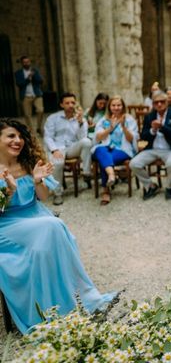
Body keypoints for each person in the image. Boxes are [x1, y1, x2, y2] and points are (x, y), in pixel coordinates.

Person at [0, 118, 116, 334]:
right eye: (10, 136)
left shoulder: (27, 163)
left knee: (54, 229)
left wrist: (37, 181)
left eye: (20, 136)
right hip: (6, 225)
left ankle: (73, 302)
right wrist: (8, 191)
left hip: (35, 216)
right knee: (53, 226)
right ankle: (59, 308)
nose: (18, 141)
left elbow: (42, 197)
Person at [130, 90, 171, 200]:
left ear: (167, 102)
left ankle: (169, 187)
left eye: (162, 102)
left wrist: (162, 128)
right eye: (156, 102)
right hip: (152, 149)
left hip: (170, 149)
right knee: (134, 163)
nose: (159, 104)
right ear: (153, 104)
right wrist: (152, 130)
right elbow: (143, 136)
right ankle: (151, 186)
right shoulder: (150, 116)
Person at [43, 92, 93, 205]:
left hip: (71, 147)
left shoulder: (80, 119)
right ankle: (58, 194)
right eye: (67, 103)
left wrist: (81, 123)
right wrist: (54, 150)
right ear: (61, 104)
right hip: (57, 147)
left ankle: (86, 173)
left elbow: (82, 138)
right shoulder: (53, 118)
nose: (71, 105)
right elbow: (48, 137)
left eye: (73, 103)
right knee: (57, 164)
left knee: (87, 142)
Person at [92, 95, 139, 205]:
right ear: (109, 107)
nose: (116, 107)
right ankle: (111, 174)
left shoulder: (129, 119)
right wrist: (110, 128)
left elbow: (131, 139)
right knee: (101, 150)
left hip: (122, 150)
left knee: (105, 158)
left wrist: (123, 127)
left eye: (119, 105)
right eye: (113, 105)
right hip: (105, 148)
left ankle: (106, 191)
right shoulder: (103, 120)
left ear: (123, 106)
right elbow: (98, 138)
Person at [14, 56, 44, 135]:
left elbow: (40, 81)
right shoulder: (18, 73)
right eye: (24, 62)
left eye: (28, 62)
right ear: (22, 63)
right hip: (26, 96)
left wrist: (34, 76)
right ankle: (32, 132)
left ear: (30, 62)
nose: (26, 64)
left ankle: (39, 127)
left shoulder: (35, 71)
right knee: (27, 115)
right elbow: (19, 84)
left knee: (40, 110)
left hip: (36, 94)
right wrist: (28, 78)